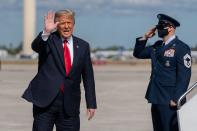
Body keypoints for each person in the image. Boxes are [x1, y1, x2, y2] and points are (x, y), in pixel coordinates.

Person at [22, 10, 97, 131]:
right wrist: (46, 32)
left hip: (70, 104)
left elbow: (88, 77)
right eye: (62, 23)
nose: (67, 26)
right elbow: (35, 47)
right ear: (56, 25)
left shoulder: (83, 46)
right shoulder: (48, 40)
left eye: (69, 22)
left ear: (73, 24)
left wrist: (91, 103)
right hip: (45, 102)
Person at [133, 14, 191, 131]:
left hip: (170, 100)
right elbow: (138, 54)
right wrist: (145, 37)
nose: (159, 29)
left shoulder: (181, 47)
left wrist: (177, 98)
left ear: (170, 28)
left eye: (161, 26)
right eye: (158, 26)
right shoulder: (157, 46)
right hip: (156, 97)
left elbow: (184, 75)